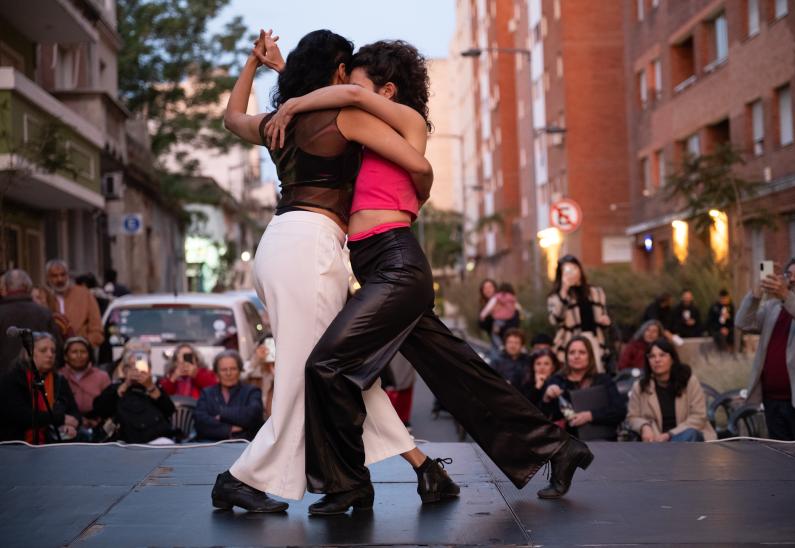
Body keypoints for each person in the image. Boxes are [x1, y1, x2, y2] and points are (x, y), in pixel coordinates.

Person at [266, 38, 592, 512]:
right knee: (457, 371)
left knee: (326, 366)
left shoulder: (408, 122)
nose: (342, 92)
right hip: (378, 266)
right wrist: (285, 75)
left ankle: (348, 485)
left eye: (353, 84)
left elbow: (351, 98)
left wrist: (293, 99)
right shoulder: (365, 134)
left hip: (397, 265)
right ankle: (558, 448)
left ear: (389, 90)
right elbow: (332, 111)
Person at [212, 29, 453, 513]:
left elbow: (232, 118)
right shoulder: (345, 115)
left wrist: (256, 67)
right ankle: (241, 478)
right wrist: (418, 196)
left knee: (339, 371)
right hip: (310, 251)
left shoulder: (281, 122)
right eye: (350, 70)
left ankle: (422, 466)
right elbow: (413, 159)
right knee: (311, 374)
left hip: (280, 244)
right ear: (341, 72)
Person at [735, 257, 795, 440]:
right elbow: (743, 322)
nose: (792, 279)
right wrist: (757, 293)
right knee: (780, 459)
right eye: (788, 275)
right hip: (772, 399)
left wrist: (786, 296)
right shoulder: (773, 306)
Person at [626, 338, 716, 442]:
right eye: (652, 356)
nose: (657, 360)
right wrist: (644, 426)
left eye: (662, 355)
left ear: (672, 359)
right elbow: (632, 417)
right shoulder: (640, 386)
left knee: (690, 434)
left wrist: (669, 435)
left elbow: (699, 417)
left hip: (687, 438)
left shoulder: (689, 381)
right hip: (656, 442)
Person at [0, 332, 81, 443]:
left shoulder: (59, 381)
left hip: (53, 444)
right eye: (43, 350)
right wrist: (60, 419)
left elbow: (74, 411)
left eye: (53, 351)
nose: (50, 355)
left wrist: (71, 425)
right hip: (17, 444)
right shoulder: (13, 379)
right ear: (29, 353)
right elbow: (21, 415)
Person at [540, 336, 626, 441]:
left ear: (590, 356)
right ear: (566, 357)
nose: (576, 356)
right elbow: (543, 418)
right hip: (567, 443)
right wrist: (546, 398)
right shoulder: (556, 380)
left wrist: (590, 415)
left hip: (602, 442)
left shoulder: (603, 380)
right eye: (572, 352)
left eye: (582, 352)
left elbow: (620, 410)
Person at [92, 346, 176, 444]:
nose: (137, 371)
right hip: (126, 442)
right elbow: (99, 409)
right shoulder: (116, 387)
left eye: (141, 366)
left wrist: (151, 387)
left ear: (149, 369)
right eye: (132, 366)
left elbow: (170, 410)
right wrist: (126, 385)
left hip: (157, 440)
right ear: (124, 370)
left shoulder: (155, 387)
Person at [547, 255, 612, 371]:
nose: (572, 273)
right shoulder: (556, 297)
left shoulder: (596, 292)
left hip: (594, 341)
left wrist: (605, 321)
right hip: (571, 342)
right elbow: (555, 319)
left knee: (596, 375)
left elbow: (603, 316)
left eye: (574, 269)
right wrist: (564, 290)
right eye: (567, 270)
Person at [0, 269, 62, 374]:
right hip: (38, 378)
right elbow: (57, 349)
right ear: (28, 287)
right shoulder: (44, 313)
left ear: (5, 288)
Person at [195, 350, 264, 441]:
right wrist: (229, 429)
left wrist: (221, 414)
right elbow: (200, 422)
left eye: (233, 369)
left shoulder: (251, 391)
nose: (228, 373)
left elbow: (252, 415)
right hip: (212, 446)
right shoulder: (207, 393)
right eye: (223, 370)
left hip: (244, 446)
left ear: (240, 371)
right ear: (216, 373)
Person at [44, 259, 103, 347]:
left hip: (81, 351)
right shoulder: (43, 297)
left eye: (63, 275)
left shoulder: (84, 294)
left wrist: (85, 344)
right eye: (54, 276)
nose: (60, 279)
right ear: (48, 278)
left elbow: (96, 327)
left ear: (68, 275)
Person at [60, 336, 111, 418]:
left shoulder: (102, 376)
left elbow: (109, 405)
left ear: (89, 355)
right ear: (66, 356)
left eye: (83, 352)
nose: (79, 355)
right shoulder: (59, 375)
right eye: (74, 352)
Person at [479, 282, 521, 350]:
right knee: (508, 335)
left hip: (498, 321)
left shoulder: (497, 297)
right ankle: (506, 346)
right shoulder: (512, 298)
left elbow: (489, 307)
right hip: (509, 318)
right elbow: (518, 308)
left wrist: (482, 315)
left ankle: (500, 346)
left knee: (495, 334)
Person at [519, 349, 561, 416]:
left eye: (546, 364)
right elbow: (526, 409)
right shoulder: (526, 384)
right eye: (538, 364)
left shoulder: (558, 383)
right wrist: (537, 387)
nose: (542, 367)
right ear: (533, 367)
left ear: (553, 367)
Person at [243, 334, 275, 420]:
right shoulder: (254, 367)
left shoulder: (283, 369)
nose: (270, 351)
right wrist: (256, 360)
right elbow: (240, 376)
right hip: (256, 418)